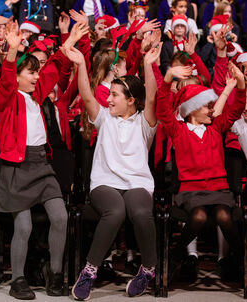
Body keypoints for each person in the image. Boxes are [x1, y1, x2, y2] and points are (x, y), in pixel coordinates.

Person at [0, 21, 85, 299]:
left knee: (60, 216)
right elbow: (6, 77)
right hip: (17, 167)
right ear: (17, 75)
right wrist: (11, 50)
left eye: (36, 73)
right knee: (24, 226)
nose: (36, 77)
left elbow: (55, 67)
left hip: (41, 165)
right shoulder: (6, 98)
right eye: (30, 73)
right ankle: (17, 280)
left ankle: (55, 274)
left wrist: (69, 41)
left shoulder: (37, 95)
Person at [67, 35, 160, 302]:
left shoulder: (144, 122)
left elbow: (151, 97)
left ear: (131, 100)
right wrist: (81, 65)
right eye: (109, 94)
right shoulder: (104, 118)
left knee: (141, 212)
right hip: (105, 182)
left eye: (115, 95)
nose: (108, 99)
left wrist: (148, 65)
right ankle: (89, 270)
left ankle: (148, 270)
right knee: (115, 211)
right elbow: (86, 97)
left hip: (136, 182)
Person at [158, 58, 247, 282]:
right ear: (191, 109)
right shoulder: (178, 130)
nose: (211, 109)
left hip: (218, 188)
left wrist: (241, 85)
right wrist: (168, 79)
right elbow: (162, 109)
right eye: (206, 106)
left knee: (224, 216)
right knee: (197, 216)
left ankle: (242, 260)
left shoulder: (216, 128)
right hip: (191, 190)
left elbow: (236, 109)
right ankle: (176, 257)